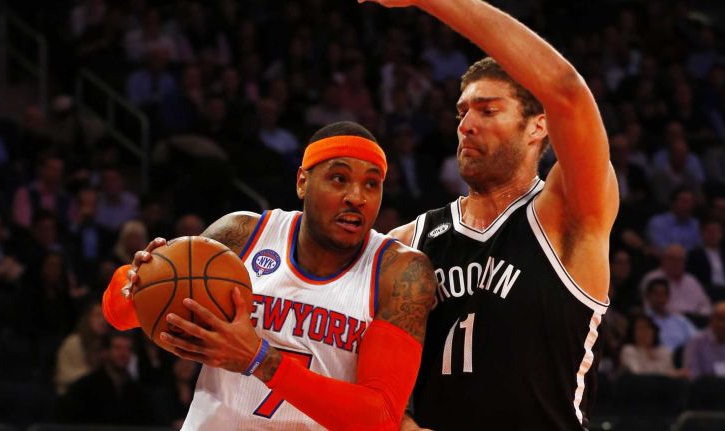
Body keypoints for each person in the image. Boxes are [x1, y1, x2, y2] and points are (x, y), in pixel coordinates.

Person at [367, 0, 619, 429]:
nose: (466, 124)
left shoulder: (568, 215)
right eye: (462, 112)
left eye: (487, 110)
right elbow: (370, 375)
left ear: (538, 126)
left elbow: (567, 91)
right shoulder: (410, 240)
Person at [102, 121, 437, 430]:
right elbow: (119, 316)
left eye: (372, 184)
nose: (356, 197)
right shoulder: (242, 234)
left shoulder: (399, 273)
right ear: (302, 181)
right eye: (339, 178)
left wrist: (259, 359)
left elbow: (378, 419)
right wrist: (135, 280)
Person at [683, 301, 725, 380]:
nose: (722, 324)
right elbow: (692, 373)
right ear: (711, 319)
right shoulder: (696, 341)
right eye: (719, 318)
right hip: (704, 388)